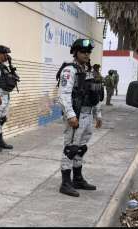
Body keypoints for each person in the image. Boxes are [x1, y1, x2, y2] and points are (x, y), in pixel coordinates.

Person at [57, 39, 103, 197]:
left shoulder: (88, 70)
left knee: (81, 148)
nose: (86, 54)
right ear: (75, 52)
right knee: (71, 148)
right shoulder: (69, 70)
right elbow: (63, 95)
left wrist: (98, 114)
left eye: (89, 52)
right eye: (83, 51)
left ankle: (77, 179)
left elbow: (94, 94)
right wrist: (70, 115)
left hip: (88, 115)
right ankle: (65, 183)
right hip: (76, 115)